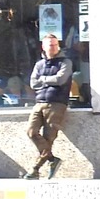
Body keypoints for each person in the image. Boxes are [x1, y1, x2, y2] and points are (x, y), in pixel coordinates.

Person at [26, 34, 75, 179]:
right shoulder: (39, 64)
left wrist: (43, 79)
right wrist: (48, 80)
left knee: (49, 138)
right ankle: (53, 160)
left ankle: (35, 169)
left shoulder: (65, 62)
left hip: (57, 103)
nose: (53, 47)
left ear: (58, 46)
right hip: (39, 102)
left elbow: (60, 80)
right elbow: (33, 83)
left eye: (55, 44)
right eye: (50, 45)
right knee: (31, 131)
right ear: (43, 47)